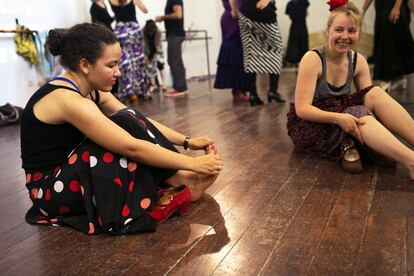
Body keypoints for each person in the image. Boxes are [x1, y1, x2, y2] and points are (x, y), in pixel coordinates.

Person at [20, 23, 223, 235]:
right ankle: (182, 179)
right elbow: (131, 147)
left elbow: (137, 120)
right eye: (111, 65)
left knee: (126, 117)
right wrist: (193, 163)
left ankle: (180, 178)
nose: (118, 72)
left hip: (69, 172)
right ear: (85, 65)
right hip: (50, 192)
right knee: (114, 139)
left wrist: (187, 141)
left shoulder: (88, 89)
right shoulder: (68, 100)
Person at [287, 2, 414, 180]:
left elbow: (369, 103)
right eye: (339, 30)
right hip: (312, 123)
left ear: (359, 34)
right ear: (328, 30)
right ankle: (411, 161)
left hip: (344, 114)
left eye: (351, 31)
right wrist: (339, 118)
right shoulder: (312, 59)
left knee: (374, 93)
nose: (344, 36)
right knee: (358, 113)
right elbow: (302, 109)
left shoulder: (358, 60)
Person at [231, 0, 286, 106]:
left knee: (250, 52)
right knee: (276, 50)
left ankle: (253, 94)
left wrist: (235, 10)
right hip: (265, 16)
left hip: (246, 15)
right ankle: (272, 91)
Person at [362, 0, 414, 91]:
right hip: (382, 7)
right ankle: (398, 78)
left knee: (390, 43)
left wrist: (396, 7)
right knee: (385, 41)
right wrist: (363, 10)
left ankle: (389, 78)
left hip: (393, 6)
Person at [109, 0, 150, 102]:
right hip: (133, 30)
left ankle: (129, 92)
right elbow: (145, 10)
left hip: (121, 31)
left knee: (125, 63)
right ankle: (140, 91)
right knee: (138, 62)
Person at [214, 0, 249, 102]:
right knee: (236, 53)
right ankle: (238, 89)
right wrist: (235, 11)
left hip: (233, 17)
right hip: (234, 18)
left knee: (238, 53)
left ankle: (239, 88)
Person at [156, 0, 189, 97]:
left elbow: (178, 14)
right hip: (174, 34)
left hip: (175, 34)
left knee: (173, 60)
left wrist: (162, 17)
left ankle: (179, 88)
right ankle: (182, 87)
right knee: (177, 60)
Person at [143, 19, 167, 93]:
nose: (150, 33)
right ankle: (153, 85)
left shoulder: (158, 31)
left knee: (160, 65)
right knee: (149, 67)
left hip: (157, 48)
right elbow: (144, 44)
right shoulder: (143, 31)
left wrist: (155, 56)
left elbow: (158, 45)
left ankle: (164, 84)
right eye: (149, 31)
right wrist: (145, 55)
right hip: (148, 48)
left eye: (152, 31)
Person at [284, 0, 309, 67]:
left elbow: (306, 13)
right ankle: (294, 61)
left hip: (301, 25)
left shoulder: (304, 2)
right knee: (293, 42)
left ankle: (303, 61)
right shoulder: (289, 4)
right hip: (295, 25)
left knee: (302, 41)